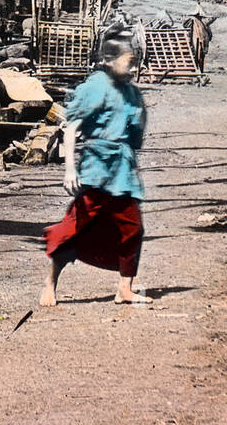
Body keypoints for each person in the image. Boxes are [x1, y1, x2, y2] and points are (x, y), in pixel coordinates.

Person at [41, 32, 147, 308]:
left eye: (137, 63)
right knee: (73, 229)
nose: (134, 69)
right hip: (96, 169)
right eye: (130, 62)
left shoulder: (132, 93)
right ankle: (50, 283)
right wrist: (70, 171)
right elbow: (72, 129)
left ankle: (125, 288)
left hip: (122, 172)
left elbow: (135, 133)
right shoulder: (95, 87)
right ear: (108, 60)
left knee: (132, 228)